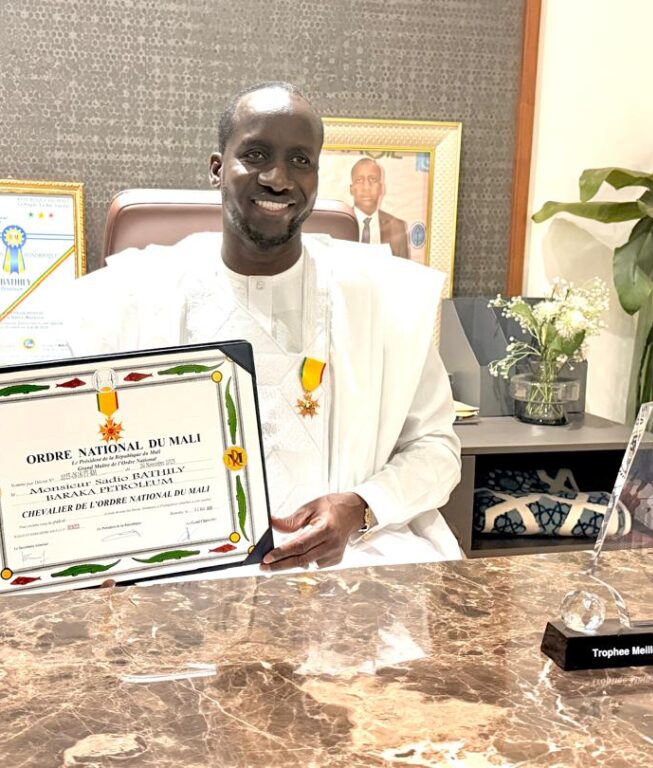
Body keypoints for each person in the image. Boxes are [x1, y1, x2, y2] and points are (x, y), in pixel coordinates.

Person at [66, 82, 461, 571]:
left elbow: (436, 448)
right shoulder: (132, 295)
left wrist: (361, 506)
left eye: (300, 160)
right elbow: (69, 442)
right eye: (256, 155)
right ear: (217, 169)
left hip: (351, 557)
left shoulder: (381, 297)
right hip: (178, 565)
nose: (278, 179)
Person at [350, 157, 410, 259]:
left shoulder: (397, 227)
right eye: (359, 180)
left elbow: (403, 268)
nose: (366, 187)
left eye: (372, 179)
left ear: (381, 188)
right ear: (351, 189)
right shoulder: (339, 224)